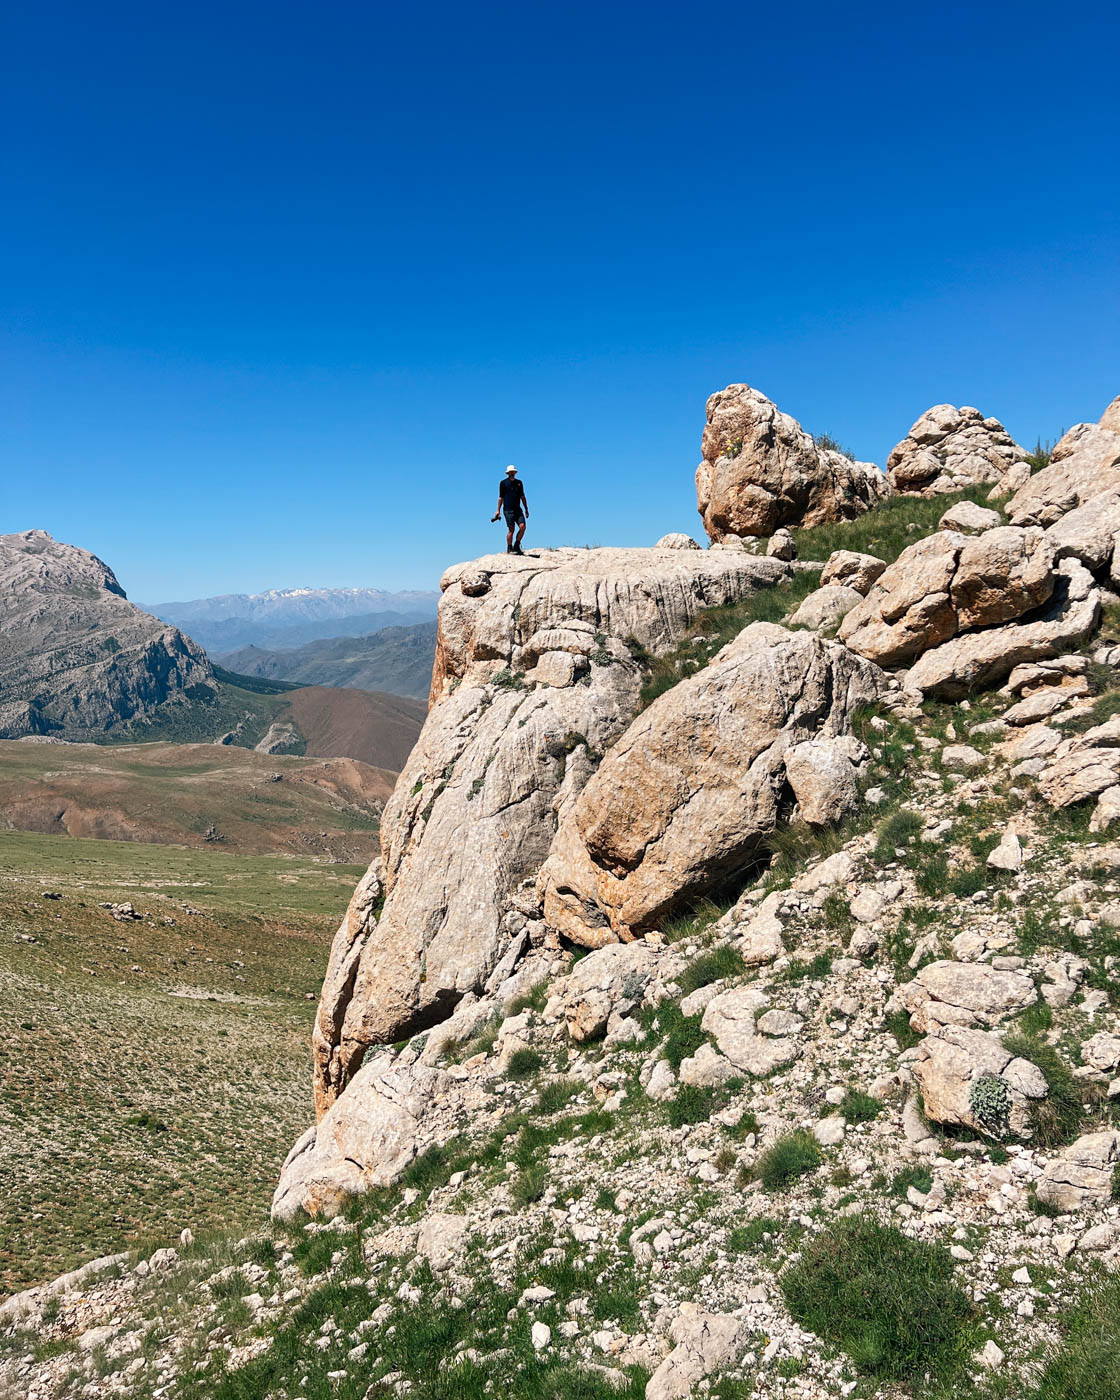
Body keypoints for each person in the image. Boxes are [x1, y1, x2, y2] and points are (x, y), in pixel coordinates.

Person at [491, 464, 529, 554]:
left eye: (513, 472)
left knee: (522, 527)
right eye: (510, 472)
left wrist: (526, 509)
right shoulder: (503, 483)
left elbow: (522, 496)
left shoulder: (519, 483)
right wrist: (497, 510)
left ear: (515, 473)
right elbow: (500, 497)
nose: (512, 473)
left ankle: (517, 545)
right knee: (511, 529)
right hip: (508, 510)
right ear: (508, 473)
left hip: (518, 509)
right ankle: (509, 547)